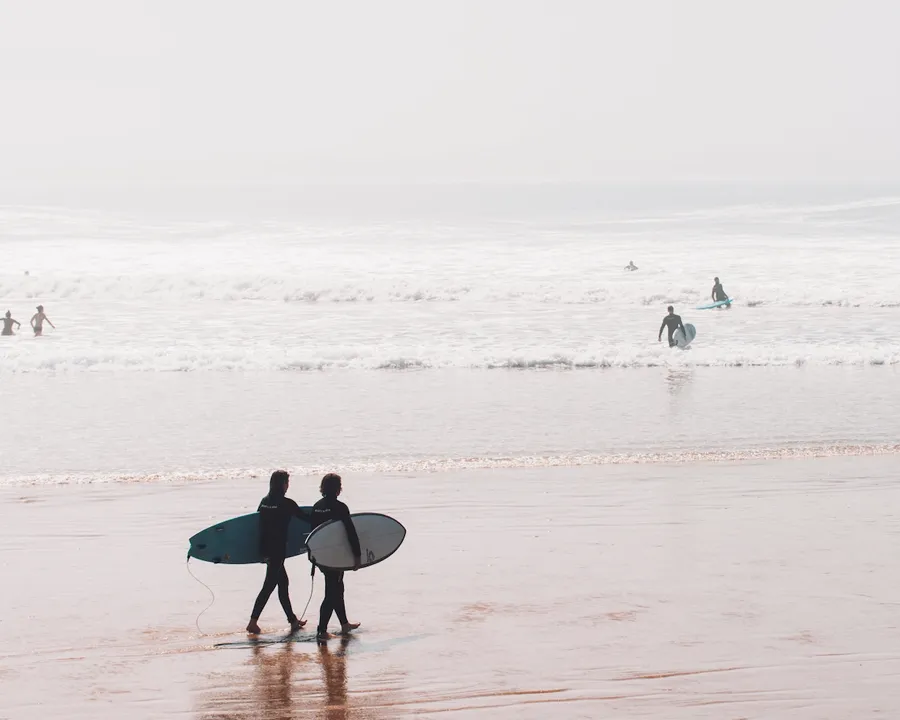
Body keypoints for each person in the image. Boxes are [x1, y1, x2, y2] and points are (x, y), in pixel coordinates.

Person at [247, 470, 311, 635]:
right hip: (278, 549)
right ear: (283, 484)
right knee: (269, 585)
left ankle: (293, 620)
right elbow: (305, 519)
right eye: (287, 482)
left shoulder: (265, 501)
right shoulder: (287, 503)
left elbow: (256, 524)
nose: (288, 485)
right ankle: (252, 622)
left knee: (283, 583)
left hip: (266, 548)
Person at [311, 473, 361, 641]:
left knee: (337, 588)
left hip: (321, 556)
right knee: (332, 592)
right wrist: (357, 556)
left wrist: (313, 556)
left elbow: (313, 534)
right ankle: (321, 630)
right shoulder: (340, 507)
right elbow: (350, 533)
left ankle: (344, 624)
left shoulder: (316, 507)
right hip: (336, 557)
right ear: (338, 488)